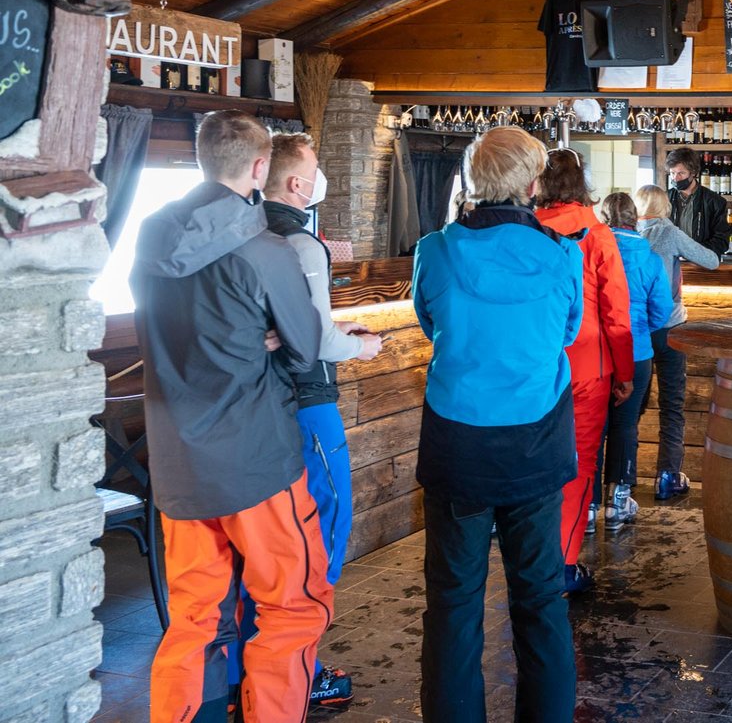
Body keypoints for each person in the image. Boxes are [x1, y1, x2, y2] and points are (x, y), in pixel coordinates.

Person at [133, 110, 331, 723]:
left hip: (178, 460)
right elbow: (305, 346)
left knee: (193, 617)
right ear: (260, 166)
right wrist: (266, 335)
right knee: (292, 606)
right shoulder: (265, 250)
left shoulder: (147, 236)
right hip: (256, 459)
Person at [412, 127, 584, 723]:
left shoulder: (435, 250)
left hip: (458, 441)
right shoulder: (564, 255)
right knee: (540, 599)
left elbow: (429, 323)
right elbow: (566, 332)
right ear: (532, 185)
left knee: (454, 604)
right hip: (535, 440)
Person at [221, 133, 382, 710]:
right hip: (308, 406)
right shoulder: (301, 244)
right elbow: (314, 341)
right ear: (296, 183)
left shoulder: (232, 234)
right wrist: (361, 346)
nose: (319, 178)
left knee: (259, 549)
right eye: (315, 168)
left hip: (250, 409)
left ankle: (244, 672)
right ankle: (301, 673)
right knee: (319, 540)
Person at [535, 149, 636, 593]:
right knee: (578, 465)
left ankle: (532, 563)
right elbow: (616, 312)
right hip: (587, 367)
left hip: (537, 364)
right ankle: (563, 564)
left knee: (535, 464)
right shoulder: (596, 233)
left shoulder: (527, 229)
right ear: (583, 183)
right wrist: (625, 372)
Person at [594, 191, 675, 530]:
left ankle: (587, 507)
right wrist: (641, 330)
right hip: (636, 349)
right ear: (634, 219)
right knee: (625, 424)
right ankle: (618, 501)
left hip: (596, 352)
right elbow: (662, 310)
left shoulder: (591, 250)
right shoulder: (650, 258)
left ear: (604, 218)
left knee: (594, 426)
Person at [634, 184, 720, 501]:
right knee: (672, 405)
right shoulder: (668, 232)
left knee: (633, 405)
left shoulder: (627, 233)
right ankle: (667, 477)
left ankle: (624, 480)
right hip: (669, 326)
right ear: (665, 207)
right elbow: (711, 260)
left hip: (636, 329)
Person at [665, 146, 732, 257]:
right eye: (672, 173)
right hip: (671, 263)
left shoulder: (715, 202)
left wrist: (692, 251)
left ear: (693, 172)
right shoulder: (664, 199)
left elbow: (722, 242)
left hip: (701, 264)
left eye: (681, 173)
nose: (676, 178)